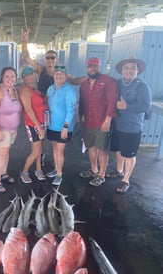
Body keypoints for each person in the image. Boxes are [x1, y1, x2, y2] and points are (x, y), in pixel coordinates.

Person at [106, 57, 152, 194]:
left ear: (138, 70)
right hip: (118, 124)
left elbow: (145, 106)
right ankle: (119, 171)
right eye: (126, 68)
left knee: (129, 154)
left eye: (133, 68)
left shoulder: (142, 86)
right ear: (121, 70)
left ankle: (125, 180)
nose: (129, 71)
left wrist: (127, 107)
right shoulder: (118, 83)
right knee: (118, 150)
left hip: (132, 127)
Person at [79, 57, 118, 187]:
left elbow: (112, 102)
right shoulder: (84, 85)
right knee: (91, 147)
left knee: (101, 149)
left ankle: (101, 175)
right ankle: (93, 170)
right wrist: (81, 116)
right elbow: (83, 103)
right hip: (88, 122)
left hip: (102, 122)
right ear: (87, 68)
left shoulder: (109, 82)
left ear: (99, 67)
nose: (92, 68)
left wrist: (108, 119)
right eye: (90, 66)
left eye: (95, 66)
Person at [0, 67, 22, 193]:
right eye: (7, 76)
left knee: (6, 153)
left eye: (12, 76)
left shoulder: (14, 91)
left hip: (12, 130)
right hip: (1, 130)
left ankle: (4, 174)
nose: (10, 79)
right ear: (2, 78)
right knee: (1, 156)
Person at [20, 29, 85, 96]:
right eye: (47, 58)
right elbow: (26, 58)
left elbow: (74, 81)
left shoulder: (61, 71)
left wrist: (90, 78)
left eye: (52, 58)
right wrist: (24, 42)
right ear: (44, 59)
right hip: (42, 102)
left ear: (56, 59)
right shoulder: (40, 69)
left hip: (55, 103)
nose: (50, 60)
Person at [46, 66, 78, 186]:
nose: (59, 76)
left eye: (62, 74)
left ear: (66, 76)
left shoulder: (69, 90)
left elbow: (71, 111)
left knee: (59, 151)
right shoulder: (50, 88)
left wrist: (65, 127)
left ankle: (59, 174)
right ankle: (56, 168)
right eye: (57, 74)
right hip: (52, 125)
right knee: (54, 148)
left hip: (64, 126)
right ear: (53, 75)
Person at [19, 65, 48, 183]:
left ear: (34, 74)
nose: (29, 76)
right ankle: (24, 172)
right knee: (35, 151)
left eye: (31, 73)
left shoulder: (35, 88)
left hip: (42, 122)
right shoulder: (25, 90)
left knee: (40, 149)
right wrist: (39, 127)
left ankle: (38, 170)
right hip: (33, 124)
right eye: (26, 75)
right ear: (23, 78)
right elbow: (28, 110)